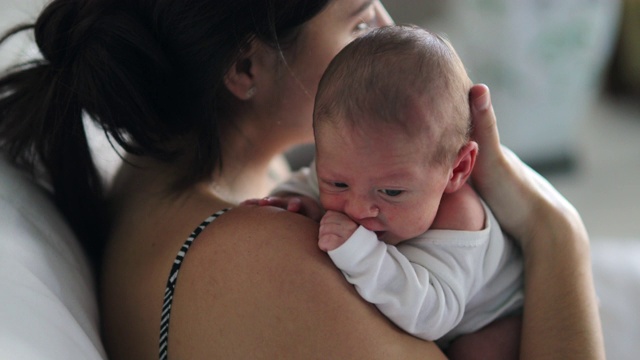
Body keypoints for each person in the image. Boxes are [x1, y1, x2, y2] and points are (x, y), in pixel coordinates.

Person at [0, 0, 604, 359]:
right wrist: (555, 230)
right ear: (245, 65)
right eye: (360, 22)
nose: (392, 29)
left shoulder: (173, 175)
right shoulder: (260, 256)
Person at [253, 25, 524, 350]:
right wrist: (293, 200)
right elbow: (305, 180)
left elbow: (434, 316)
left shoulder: (461, 221)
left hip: (490, 315)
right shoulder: (358, 165)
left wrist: (361, 253)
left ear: (457, 169)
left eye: (391, 192)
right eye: (336, 183)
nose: (356, 209)